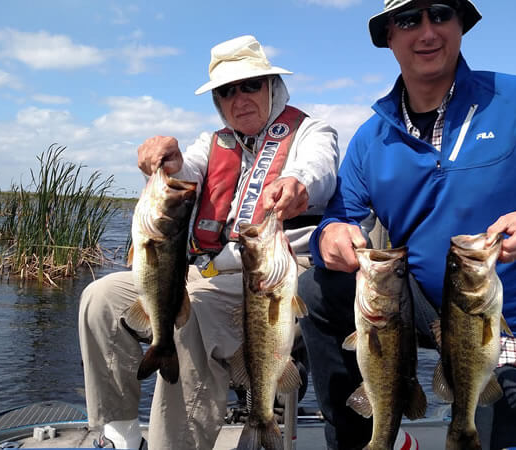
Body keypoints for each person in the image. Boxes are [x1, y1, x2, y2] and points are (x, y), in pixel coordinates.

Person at [297, 1, 516, 449]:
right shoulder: (371, 137)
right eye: (409, 20)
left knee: (505, 436)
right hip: (417, 306)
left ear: (461, 25)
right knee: (316, 287)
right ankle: (364, 437)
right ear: (388, 37)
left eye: (441, 14)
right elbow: (339, 219)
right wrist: (329, 234)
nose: (427, 32)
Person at [78, 35, 339, 449]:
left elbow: (319, 167)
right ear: (218, 100)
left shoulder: (311, 132)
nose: (240, 97)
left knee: (191, 320)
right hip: (208, 275)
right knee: (101, 297)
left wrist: (297, 182)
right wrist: (165, 160)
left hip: (273, 281)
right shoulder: (212, 144)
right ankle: (121, 436)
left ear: (272, 85)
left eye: (250, 84)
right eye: (227, 91)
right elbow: (186, 170)